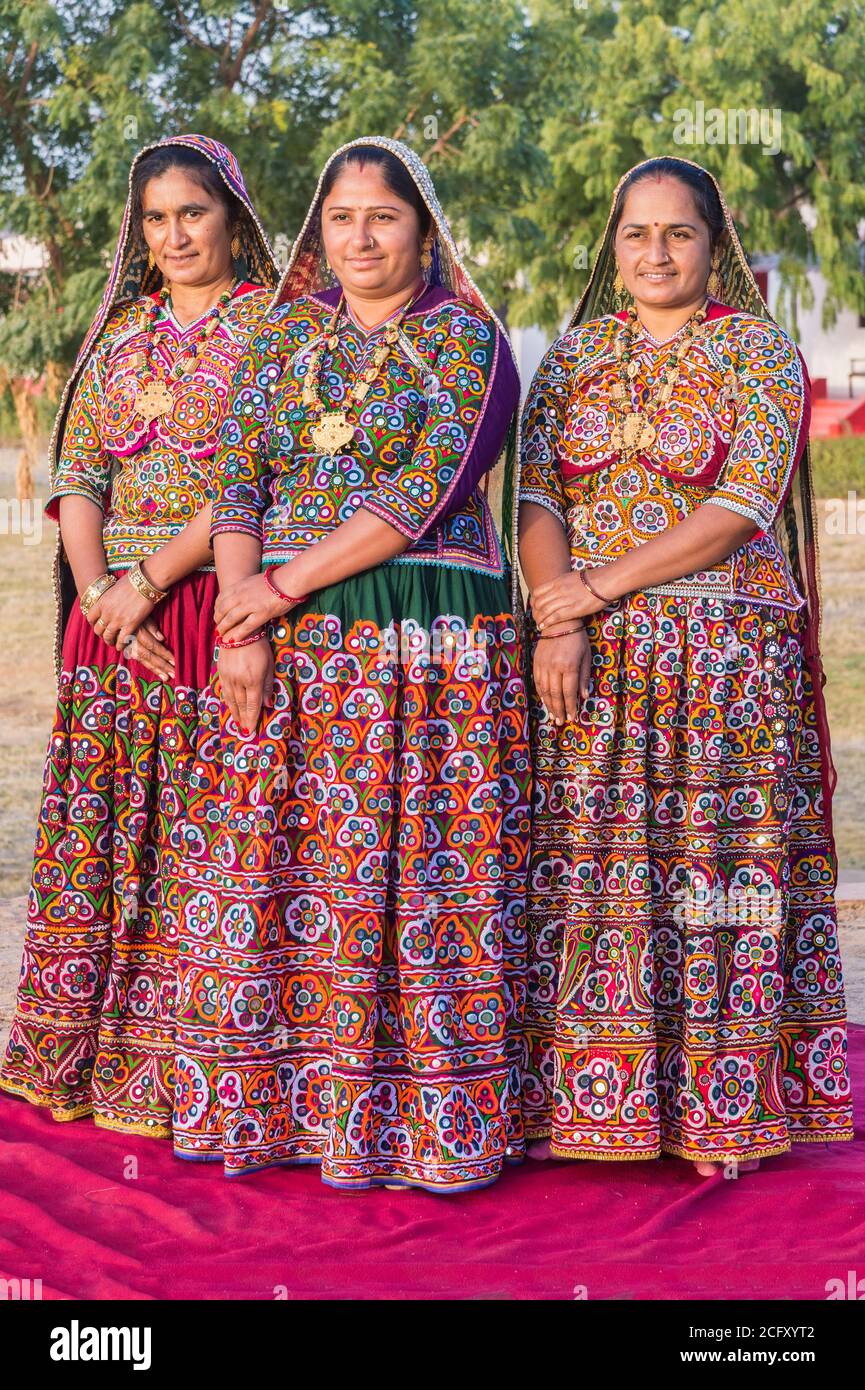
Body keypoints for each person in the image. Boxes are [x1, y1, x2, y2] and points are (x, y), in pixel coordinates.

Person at [172, 135, 531, 1191]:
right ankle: (278, 1105)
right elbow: (238, 472)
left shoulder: (469, 340)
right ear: (316, 231)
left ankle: (431, 1121)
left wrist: (275, 591)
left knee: (417, 862)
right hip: (281, 637)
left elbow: (427, 486)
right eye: (340, 217)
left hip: (418, 627)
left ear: (423, 228)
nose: (360, 236)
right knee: (282, 861)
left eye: (383, 215)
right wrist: (242, 625)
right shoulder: (285, 338)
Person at [518, 155, 853, 1175]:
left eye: (678, 234)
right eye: (635, 233)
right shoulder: (569, 360)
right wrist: (556, 615)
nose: (655, 252)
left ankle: (721, 1105)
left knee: (716, 874)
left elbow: (741, 508)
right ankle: (587, 1099)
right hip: (591, 660)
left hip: (723, 661)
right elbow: (537, 503)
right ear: (610, 247)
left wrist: (596, 587)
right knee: (595, 867)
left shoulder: (756, 352)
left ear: (715, 249)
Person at [0, 135, 278, 1137]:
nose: (174, 235)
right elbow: (80, 477)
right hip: (110, 624)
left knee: (209, 837)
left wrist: (151, 583)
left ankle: (189, 1070)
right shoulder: (118, 336)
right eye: (156, 217)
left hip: (212, 608)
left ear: (232, 217)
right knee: (102, 837)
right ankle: (83, 1057)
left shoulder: (276, 332)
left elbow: (251, 477)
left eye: (192, 213)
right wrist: (98, 596)